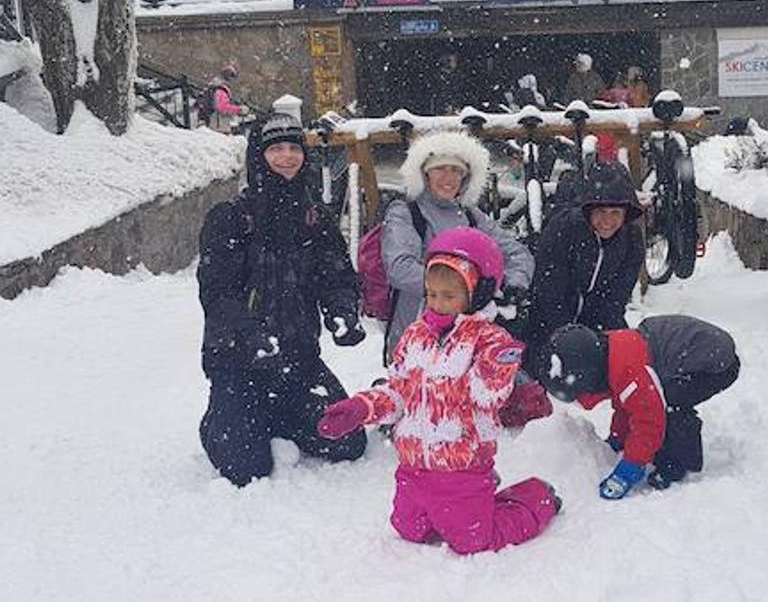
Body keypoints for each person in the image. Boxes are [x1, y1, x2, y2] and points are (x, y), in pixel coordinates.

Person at [317, 228, 561, 555]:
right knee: (409, 529)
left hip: (461, 465)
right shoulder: (416, 335)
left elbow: (486, 397)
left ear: (476, 294)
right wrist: (363, 408)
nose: (437, 304)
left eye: (449, 296)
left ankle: (536, 497)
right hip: (414, 466)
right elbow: (399, 393)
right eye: (431, 294)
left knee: (472, 541)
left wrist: (496, 365)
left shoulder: (490, 341)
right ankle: (464, 505)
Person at [195, 112, 367, 486]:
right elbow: (217, 292)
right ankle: (228, 416)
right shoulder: (231, 217)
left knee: (348, 441)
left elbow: (336, 274)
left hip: (298, 359)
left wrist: (342, 312)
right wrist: (250, 333)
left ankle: (282, 410)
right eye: (276, 148)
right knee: (245, 466)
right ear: (259, 155)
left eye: (294, 148)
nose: (287, 157)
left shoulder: (314, 217)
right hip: (239, 363)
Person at [381, 130, 534, 363]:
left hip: (466, 340)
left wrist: (511, 285)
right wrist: (463, 287)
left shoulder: (473, 216)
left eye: (456, 170)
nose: (448, 177)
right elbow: (400, 268)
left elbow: (517, 253)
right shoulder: (406, 212)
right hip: (416, 338)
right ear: (424, 173)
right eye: (440, 168)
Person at [545, 316, 740, 497]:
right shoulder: (609, 354)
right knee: (650, 398)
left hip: (715, 364)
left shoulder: (631, 371)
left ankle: (677, 464)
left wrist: (630, 468)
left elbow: (648, 421)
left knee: (668, 404)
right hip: (687, 352)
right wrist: (617, 439)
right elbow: (625, 404)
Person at [515, 162, 645, 379]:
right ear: (589, 211)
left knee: (619, 364)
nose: (608, 221)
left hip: (595, 315)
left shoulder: (631, 240)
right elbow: (549, 293)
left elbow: (615, 298)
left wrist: (603, 341)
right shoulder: (563, 231)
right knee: (549, 370)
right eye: (601, 211)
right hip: (549, 319)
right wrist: (568, 341)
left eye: (616, 213)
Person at [198, 62, 248, 133]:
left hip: (210, 121)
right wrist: (239, 109)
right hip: (217, 124)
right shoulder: (221, 89)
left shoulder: (212, 86)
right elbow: (221, 107)